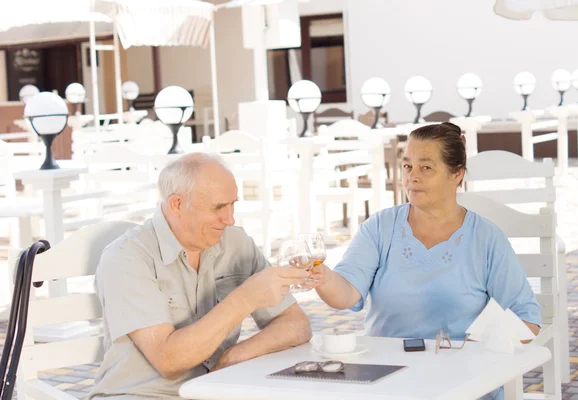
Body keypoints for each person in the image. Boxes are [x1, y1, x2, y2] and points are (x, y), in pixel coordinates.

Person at [306, 122, 540, 400]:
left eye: (426, 167)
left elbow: (526, 320)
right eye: (407, 166)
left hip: (463, 384)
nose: (411, 177)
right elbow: (345, 293)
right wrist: (320, 274)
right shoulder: (379, 228)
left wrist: (479, 350)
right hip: (387, 382)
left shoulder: (486, 238)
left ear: (457, 174)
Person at [90, 153, 312, 399]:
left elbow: (296, 325)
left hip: (214, 390)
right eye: (218, 207)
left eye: (232, 204)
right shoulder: (127, 258)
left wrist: (232, 358)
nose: (230, 219)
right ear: (176, 205)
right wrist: (246, 298)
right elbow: (170, 361)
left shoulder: (236, 243)